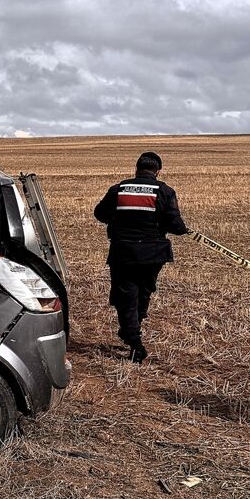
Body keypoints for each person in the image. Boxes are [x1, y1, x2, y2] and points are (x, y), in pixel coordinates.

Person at [94, 151, 189, 363]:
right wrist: (183, 229)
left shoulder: (118, 189)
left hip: (123, 252)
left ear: (136, 169)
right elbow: (176, 225)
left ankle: (133, 339)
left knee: (125, 295)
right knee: (144, 291)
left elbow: (100, 214)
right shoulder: (164, 191)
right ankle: (132, 330)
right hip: (154, 255)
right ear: (158, 171)